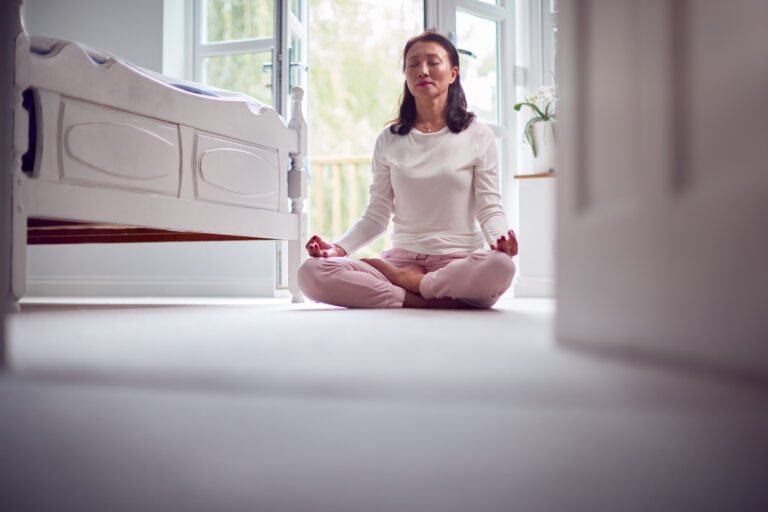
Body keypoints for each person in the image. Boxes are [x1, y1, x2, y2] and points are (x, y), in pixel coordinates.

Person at [298, 31, 518, 309]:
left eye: (433, 62)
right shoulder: (389, 139)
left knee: (501, 267)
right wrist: (338, 249)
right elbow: (376, 215)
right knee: (311, 272)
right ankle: (430, 298)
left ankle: (415, 288)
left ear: (453, 73)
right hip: (402, 262)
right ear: (406, 74)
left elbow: (489, 206)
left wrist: (500, 243)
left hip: (457, 262)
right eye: (413, 64)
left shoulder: (477, 134)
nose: (422, 70)